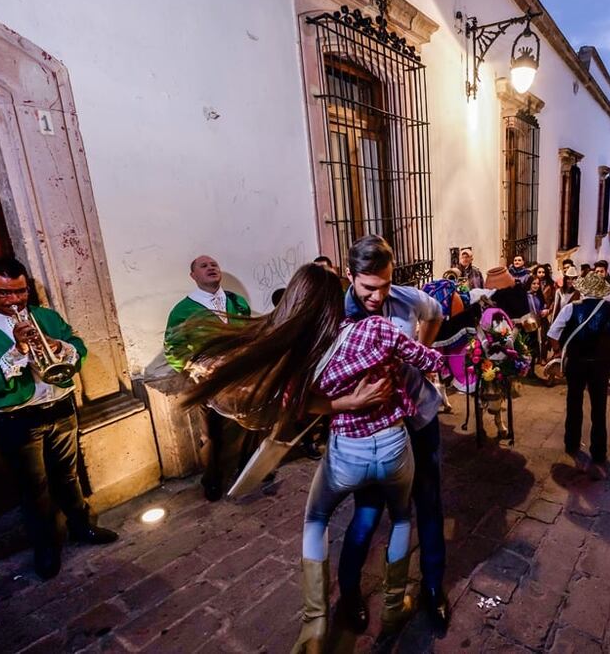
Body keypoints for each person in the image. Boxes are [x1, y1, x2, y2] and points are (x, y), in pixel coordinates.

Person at [183, 263, 442, 651]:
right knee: (403, 515)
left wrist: (343, 402)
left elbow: (292, 402)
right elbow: (431, 362)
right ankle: (392, 606)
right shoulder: (378, 329)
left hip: (346, 454)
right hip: (392, 446)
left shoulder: (301, 354)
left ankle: (315, 623)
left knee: (317, 518)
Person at [0, 257, 118, 580]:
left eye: (20, 291)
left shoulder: (45, 316)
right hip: (17, 419)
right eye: (4, 293)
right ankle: (46, 547)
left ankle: (82, 527)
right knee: (34, 487)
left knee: (69, 476)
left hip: (60, 406)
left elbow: (77, 346)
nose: (14, 300)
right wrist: (19, 348)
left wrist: (60, 346)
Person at [334, 235, 453, 633]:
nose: (378, 295)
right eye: (369, 287)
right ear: (349, 275)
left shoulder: (403, 297)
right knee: (367, 516)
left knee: (429, 503)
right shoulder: (333, 315)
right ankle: (348, 596)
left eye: (385, 285)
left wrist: (420, 354)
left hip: (418, 419)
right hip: (372, 431)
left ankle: (433, 588)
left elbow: (436, 311)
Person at [163, 255, 273, 500]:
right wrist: (196, 367)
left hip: (243, 377)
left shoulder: (237, 301)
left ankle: (249, 468)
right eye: (203, 266)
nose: (211, 268)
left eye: (214, 264)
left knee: (251, 424)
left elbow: (251, 334)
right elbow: (174, 348)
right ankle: (212, 480)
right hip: (209, 383)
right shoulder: (183, 310)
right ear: (193, 276)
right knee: (212, 434)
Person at [548, 273, 610, 479]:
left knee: (573, 402)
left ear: (583, 290)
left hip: (576, 363)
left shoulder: (571, 308)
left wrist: (559, 352)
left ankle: (572, 443)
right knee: (599, 407)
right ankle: (599, 451)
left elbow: (553, 332)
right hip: (601, 366)